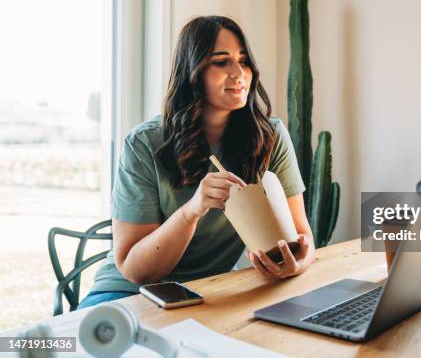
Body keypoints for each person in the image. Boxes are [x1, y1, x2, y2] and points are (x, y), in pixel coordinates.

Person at [78, 16, 315, 309]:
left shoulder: (270, 136)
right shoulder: (143, 144)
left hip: (208, 293)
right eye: (221, 61)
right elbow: (135, 270)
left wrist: (296, 265)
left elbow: (303, 236)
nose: (238, 72)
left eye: (244, 61)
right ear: (192, 70)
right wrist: (193, 209)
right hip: (130, 293)